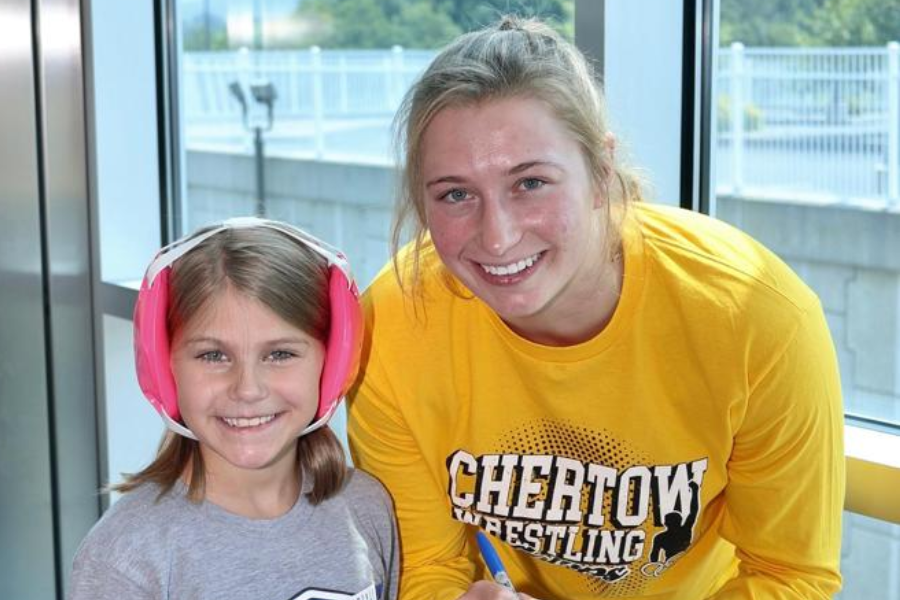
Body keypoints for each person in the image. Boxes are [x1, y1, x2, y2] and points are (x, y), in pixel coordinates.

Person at [347, 15, 844, 600]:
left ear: (601, 171)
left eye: (530, 182)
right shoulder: (393, 324)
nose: (498, 236)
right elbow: (425, 566)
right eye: (456, 194)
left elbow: (791, 576)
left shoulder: (755, 317)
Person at [70, 217, 398, 600]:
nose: (247, 389)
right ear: (162, 366)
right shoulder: (127, 557)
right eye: (213, 355)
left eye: (280, 354)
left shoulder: (366, 508)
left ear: (334, 364)